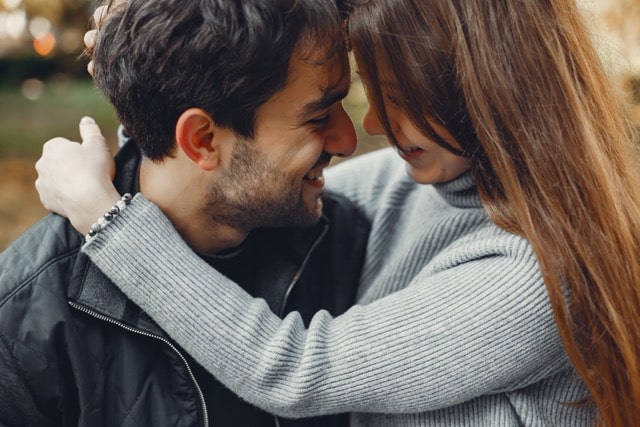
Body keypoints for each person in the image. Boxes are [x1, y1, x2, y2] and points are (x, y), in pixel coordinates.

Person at [35, 0, 640, 426]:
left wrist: (106, 218)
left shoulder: (532, 279)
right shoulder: (428, 185)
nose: (370, 127)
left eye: (397, 101)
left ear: (477, 92)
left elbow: (294, 368)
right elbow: (243, 175)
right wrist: (156, 66)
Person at [0, 0, 370, 425]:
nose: (347, 141)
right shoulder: (24, 322)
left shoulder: (347, 244)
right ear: (202, 140)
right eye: (319, 116)